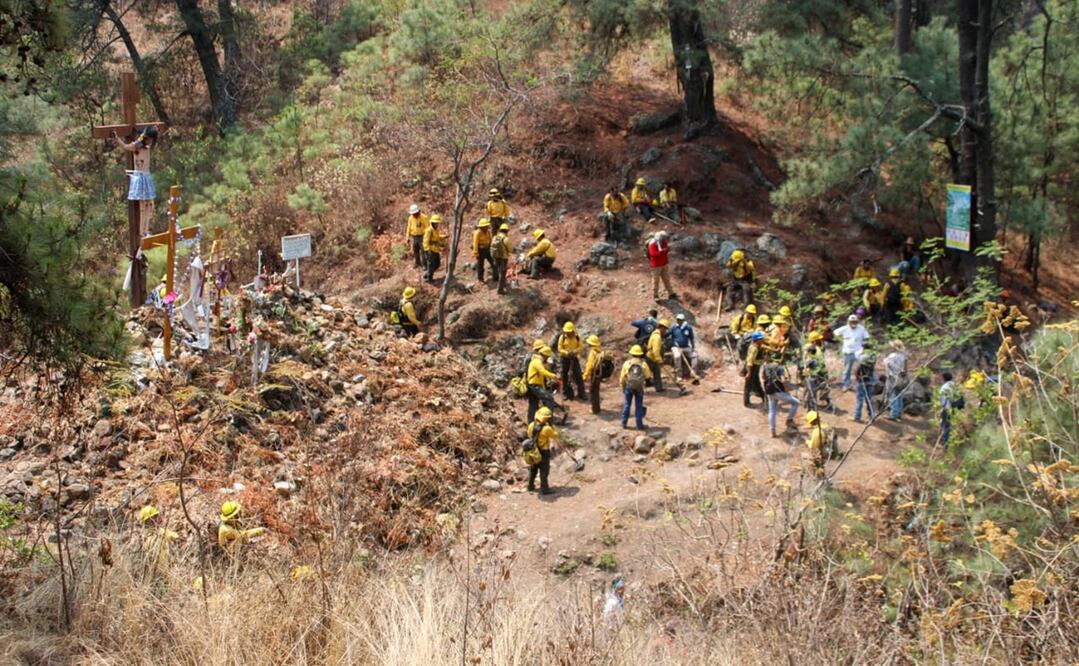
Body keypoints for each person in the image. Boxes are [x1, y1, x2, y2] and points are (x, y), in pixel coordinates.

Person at [112, 125, 158, 236]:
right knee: (142, 206)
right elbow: (125, 146)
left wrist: (156, 130)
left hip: (146, 176)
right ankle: (142, 231)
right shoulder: (137, 146)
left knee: (149, 204)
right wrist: (117, 138)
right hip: (140, 177)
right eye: (149, 138)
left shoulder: (148, 146)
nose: (150, 141)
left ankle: (147, 230)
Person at [137, 504, 179, 577]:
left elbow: (175, 536)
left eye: (156, 516)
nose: (157, 519)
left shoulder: (160, 532)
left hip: (164, 571)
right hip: (154, 573)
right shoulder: (146, 538)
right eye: (154, 517)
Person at [525, 406, 557, 494]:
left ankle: (530, 486)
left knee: (533, 469)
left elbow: (528, 434)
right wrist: (551, 426)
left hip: (534, 451)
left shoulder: (531, 425)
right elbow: (555, 435)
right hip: (543, 452)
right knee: (544, 470)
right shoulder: (547, 429)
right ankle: (545, 489)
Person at [833, 314, 870, 391]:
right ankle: (846, 385)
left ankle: (864, 385)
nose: (853, 323)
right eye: (851, 322)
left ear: (857, 322)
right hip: (848, 351)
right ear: (849, 322)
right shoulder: (845, 328)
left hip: (859, 351)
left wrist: (865, 345)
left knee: (863, 367)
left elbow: (867, 337)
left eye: (855, 322)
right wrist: (841, 340)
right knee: (847, 369)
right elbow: (835, 332)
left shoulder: (861, 329)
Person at [763, 362, 800, 437]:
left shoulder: (766, 366)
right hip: (778, 392)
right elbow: (784, 381)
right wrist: (789, 388)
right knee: (796, 402)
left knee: (772, 411)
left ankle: (772, 431)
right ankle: (789, 420)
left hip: (769, 391)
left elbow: (763, 377)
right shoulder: (779, 367)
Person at [620, 345, 652, 430]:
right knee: (639, 405)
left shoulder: (627, 364)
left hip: (629, 386)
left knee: (627, 404)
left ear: (631, 354)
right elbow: (648, 376)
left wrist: (622, 386)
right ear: (640, 354)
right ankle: (639, 425)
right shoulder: (643, 364)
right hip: (639, 388)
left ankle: (624, 423)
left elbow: (622, 377)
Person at [526, 342, 559, 423]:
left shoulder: (537, 361)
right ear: (544, 355)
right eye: (547, 356)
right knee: (549, 399)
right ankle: (549, 420)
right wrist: (554, 376)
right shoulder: (537, 361)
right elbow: (542, 371)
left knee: (533, 404)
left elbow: (543, 370)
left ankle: (530, 422)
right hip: (534, 386)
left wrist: (548, 366)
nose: (547, 358)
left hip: (533, 386)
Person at [800, 331, 831, 410]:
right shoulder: (817, 349)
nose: (820, 341)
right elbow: (820, 362)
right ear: (814, 341)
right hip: (817, 372)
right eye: (818, 340)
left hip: (807, 371)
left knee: (807, 387)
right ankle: (814, 405)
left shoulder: (805, 347)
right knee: (821, 387)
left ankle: (804, 401)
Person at [557, 321, 587, 401]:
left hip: (574, 359)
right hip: (564, 359)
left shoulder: (577, 337)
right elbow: (559, 349)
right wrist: (567, 353)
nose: (568, 333)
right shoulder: (562, 337)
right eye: (567, 331)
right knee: (564, 376)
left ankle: (582, 393)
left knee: (578, 375)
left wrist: (574, 352)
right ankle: (565, 393)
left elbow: (581, 347)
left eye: (569, 331)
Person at [647, 319, 678, 393]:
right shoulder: (657, 337)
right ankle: (634, 388)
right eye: (666, 329)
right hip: (651, 358)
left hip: (654, 358)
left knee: (657, 373)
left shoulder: (655, 334)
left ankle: (659, 388)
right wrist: (659, 360)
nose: (666, 331)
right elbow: (655, 351)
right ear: (662, 328)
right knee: (646, 373)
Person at [668, 313, 699, 384]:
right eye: (678, 320)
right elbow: (667, 334)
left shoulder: (688, 327)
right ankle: (679, 376)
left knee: (694, 356)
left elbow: (691, 338)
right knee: (677, 356)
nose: (679, 321)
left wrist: (693, 347)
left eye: (680, 320)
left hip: (686, 347)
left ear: (683, 320)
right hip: (676, 347)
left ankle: (693, 373)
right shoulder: (673, 327)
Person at [647, 231, 678, 301]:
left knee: (666, 279)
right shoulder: (652, 244)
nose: (664, 239)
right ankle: (655, 295)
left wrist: (666, 249)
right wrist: (663, 251)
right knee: (656, 280)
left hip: (664, 264)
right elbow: (653, 254)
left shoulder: (663, 242)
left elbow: (665, 249)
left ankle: (671, 293)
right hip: (656, 266)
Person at [883, 340, 908, 421]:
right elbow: (905, 369)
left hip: (893, 377)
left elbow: (889, 365)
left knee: (893, 394)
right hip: (901, 377)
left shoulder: (892, 356)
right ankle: (898, 414)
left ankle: (894, 414)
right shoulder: (904, 355)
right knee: (899, 395)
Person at [805, 410, 834, 475]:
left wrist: (807, 442)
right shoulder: (826, 425)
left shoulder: (817, 431)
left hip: (825, 452)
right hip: (831, 447)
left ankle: (818, 472)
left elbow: (813, 446)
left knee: (810, 456)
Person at [582, 335, 605, 414]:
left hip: (594, 374)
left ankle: (594, 409)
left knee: (592, 391)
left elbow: (589, 365)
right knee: (596, 391)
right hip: (599, 374)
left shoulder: (592, 352)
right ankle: (597, 408)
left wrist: (585, 375)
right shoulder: (600, 351)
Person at [852, 349, 877, 424]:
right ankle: (872, 415)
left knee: (859, 399)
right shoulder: (871, 366)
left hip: (862, 383)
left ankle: (857, 416)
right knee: (869, 399)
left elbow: (856, 373)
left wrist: (859, 378)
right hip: (870, 382)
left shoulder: (860, 365)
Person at [743, 331, 767, 408]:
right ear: (756, 340)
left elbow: (765, 347)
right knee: (748, 385)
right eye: (760, 339)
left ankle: (764, 398)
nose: (762, 340)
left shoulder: (758, 346)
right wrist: (749, 373)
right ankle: (746, 403)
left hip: (756, 368)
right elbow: (750, 362)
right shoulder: (754, 349)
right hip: (752, 368)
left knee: (757, 383)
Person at [938, 371, 962, 446]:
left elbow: (942, 399)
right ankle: (949, 440)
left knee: (945, 425)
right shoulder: (955, 385)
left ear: (943, 378)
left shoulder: (944, 387)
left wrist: (943, 408)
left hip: (947, 408)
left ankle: (945, 443)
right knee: (950, 425)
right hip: (955, 408)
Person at [490, 223, 513, 294]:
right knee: (502, 273)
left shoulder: (494, 237)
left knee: (496, 269)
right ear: (506, 231)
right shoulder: (506, 239)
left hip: (495, 257)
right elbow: (510, 249)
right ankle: (500, 290)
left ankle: (496, 280)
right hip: (503, 258)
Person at [422, 214, 445, 282]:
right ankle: (429, 278)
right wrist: (428, 250)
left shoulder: (436, 229)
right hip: (430, 250)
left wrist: (444, 236)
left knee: (437, 264)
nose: (436, 224)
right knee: (431, 264)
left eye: (437, 223)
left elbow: (437, 237)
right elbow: (425, 241)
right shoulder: (429, 230)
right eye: (435, 223)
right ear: (432, 223)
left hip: (436, 249)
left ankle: (427, 274)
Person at [472, 218, 494, 282]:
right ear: (481, 227)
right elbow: (475, 243)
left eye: (487, 226)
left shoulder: (488, 232)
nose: (486, 228)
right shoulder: (477, 233)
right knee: (480, 265)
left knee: (493, 262)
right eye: (485, 227)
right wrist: (476, 252)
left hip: (488, 249)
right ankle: (480, 278)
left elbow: (490, 240)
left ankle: (495, 276)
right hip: (480, 250)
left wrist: (492, 248)